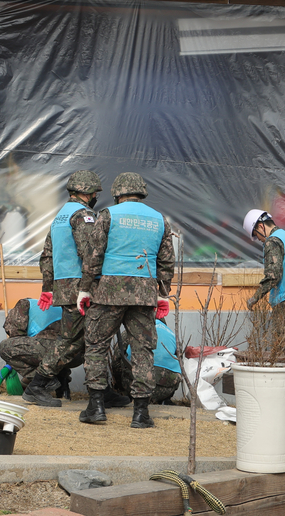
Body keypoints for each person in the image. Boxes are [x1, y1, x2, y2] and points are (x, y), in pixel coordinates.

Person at [77, 172, 176, 428]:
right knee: (143, 350)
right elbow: (166, 262)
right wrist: (163, 293)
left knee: (97, 344)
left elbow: (93, 255)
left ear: (117, 193)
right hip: (144, 293)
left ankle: (96, 407)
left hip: (110, 290)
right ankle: (141, 413)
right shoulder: (160, 220)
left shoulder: (108, 215)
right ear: (141, 192)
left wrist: (85, 289)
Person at [23, 170, 103, 407]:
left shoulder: (59, 217)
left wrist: (48, 288)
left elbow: (46, 256)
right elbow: (90, 253)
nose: (96, 195)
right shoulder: (83, 216)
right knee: (75, 341)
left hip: (64, 285)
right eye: (95, 192)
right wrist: (89, 286)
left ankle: (102, 390)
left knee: (88, 340)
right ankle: (38, 384)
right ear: (87, 192)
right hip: (82, 287)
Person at [0, 296, 79, 398]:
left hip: (52, 351)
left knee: (6, 347)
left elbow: (15, 333)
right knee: (55, 348)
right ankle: (63, 389)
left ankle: (46, 380)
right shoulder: (55, 305)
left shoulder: (24, 304)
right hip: (77, 356)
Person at [112, 317, 180, 405]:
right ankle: (165, 399)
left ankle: (129, 397)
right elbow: (180, 362)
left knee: (124, 359)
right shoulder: (171, 334)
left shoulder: (133, 330)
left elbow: (116, 358)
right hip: (165, 388)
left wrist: (120, 387)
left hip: (135, 386)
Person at [243, 209, 285, 310]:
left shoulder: (272, 242)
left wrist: (255, 298)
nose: (258, 239)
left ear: (261, 226)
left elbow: (273, 276)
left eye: (256, 234)